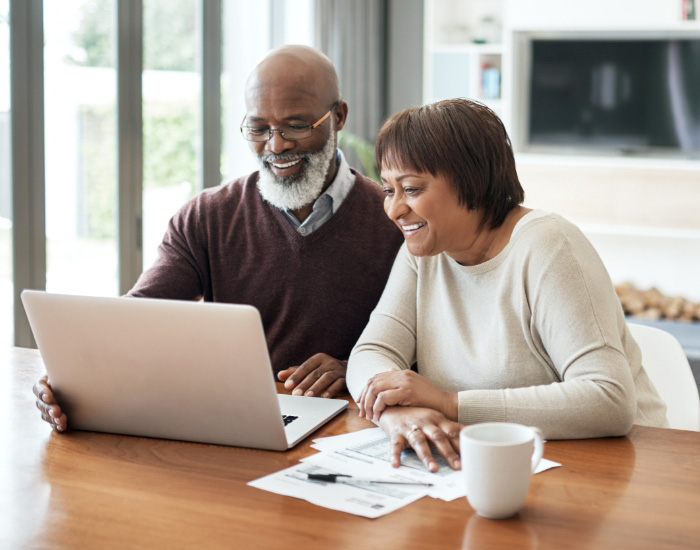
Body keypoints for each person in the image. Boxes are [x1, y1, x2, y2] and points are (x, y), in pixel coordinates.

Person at [34, 45, 404, 432]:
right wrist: (71, 377)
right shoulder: (207, 216)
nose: (276, 146)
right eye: (259, 128)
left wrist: (356, 369)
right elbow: (136, 320)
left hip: (350, 428)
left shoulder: (395, 220)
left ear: (338, 117)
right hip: (235, 424)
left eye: (296, 126)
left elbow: (431, 358)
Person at [346, 98, 668, 473]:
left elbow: (608, 400)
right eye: (389, 190)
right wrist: (397, 414)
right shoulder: (423, 252)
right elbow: (372, 351)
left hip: (625, 466)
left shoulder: (548, 246)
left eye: (412, 189)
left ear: (474, 183)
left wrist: (450, 404)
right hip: (502, 463)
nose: (394, 209)